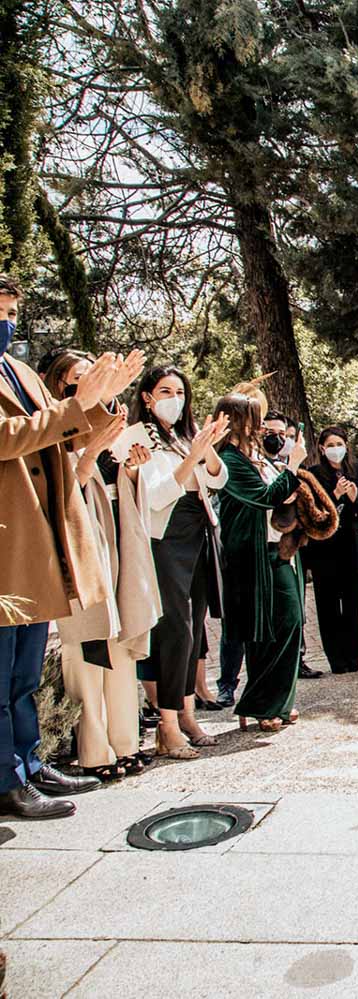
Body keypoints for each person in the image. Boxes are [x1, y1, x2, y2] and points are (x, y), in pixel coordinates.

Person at [0, 280, 142, 818]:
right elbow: (9, 437)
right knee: (0, 672)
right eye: (0, 313)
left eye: (13, 312)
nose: (8, 323)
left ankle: (30, 765)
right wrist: (77, 406)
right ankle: (5, 780)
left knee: (24, 673)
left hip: (40, 546)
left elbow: (68, 436)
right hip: (8, 545)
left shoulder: (24, 373)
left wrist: (101, 403)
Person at [43, 352, 161, 781]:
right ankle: (95, 750)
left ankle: (126, 742)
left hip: (116, 541)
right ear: (59, 387)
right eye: (79, 380)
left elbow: (117, 485)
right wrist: (90, 452)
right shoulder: (52, 426)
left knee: (119, 643)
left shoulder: (112, 423)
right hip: (80, 545)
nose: (91, 387)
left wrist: (130, 470)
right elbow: (56, 488)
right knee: (88, 649)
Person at [132, 365, 229, 760]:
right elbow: (155, 496)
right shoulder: (136, 438)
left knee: (195, 631)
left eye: (180, 391)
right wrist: (190, 459)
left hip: (198, 530)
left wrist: (204, 451)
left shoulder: (184, 436)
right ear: (147, 397)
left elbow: (217, 481)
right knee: (176, 629)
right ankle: (167, 725)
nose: (175, 399)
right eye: (165, 390)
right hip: (166, 538)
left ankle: (187, 714)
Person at [215, 394, 307, 732]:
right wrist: (294, 466)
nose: (261, 426)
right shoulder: (230, 459)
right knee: (267, 630)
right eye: (255, 418)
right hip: (252, 555)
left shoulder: (255, 459)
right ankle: (260, 703)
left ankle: (277, 702)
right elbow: (267, 496)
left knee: (289, 625)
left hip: (277, 552)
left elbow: (283, 493)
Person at [303, 427, 358, 673]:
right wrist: (334, 495)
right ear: (322, 448)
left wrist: (354, 497)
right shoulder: (314, 474)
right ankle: (336, 659)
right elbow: (315, 514)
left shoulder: (356, 470)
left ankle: (353, 657)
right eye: (330, 444)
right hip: (326, 551)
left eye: (340, 443)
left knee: (352, 606)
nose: (336, 448)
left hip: (352, 548)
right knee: (328, 607)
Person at [263, 412, 325, 683]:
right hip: (267, 547)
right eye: (273, 433)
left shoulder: (290, 467)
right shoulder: (259, 465)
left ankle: (296, 660)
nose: (280, 439)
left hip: (293, 546)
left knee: (296, 610)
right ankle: (229, 681)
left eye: (286, 435)